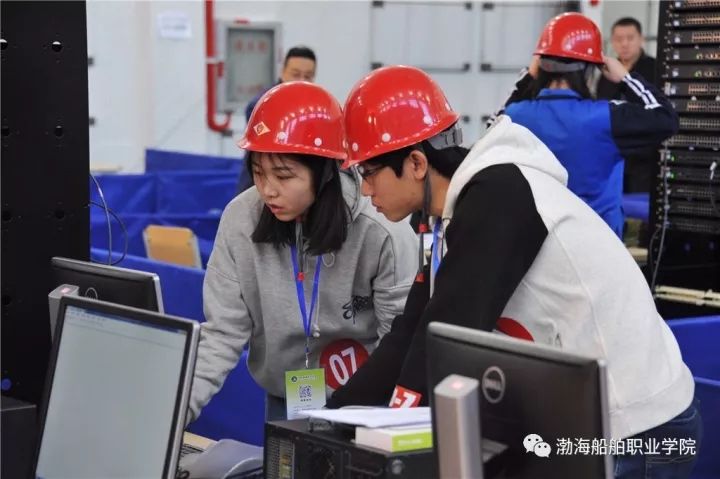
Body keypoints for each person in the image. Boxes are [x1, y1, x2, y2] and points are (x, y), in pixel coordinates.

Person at [326, 64, 701, 479]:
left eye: (369, 172)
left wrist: (390, 434)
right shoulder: (457, 214)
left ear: (416, 163)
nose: (365, 190)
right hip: (586, 419)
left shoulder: (499, 197)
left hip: (638, 425)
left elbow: (446, 335)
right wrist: (330, 418)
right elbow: (411, 329)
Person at [187, 81, 418, 424]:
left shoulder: (382, 230)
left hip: (367, 401)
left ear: (324, 172)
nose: (267, 190)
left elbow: (398, 341)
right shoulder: (240, 219)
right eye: (258, 172)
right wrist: (173, 414)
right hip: (286, 397)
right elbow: (220, 335)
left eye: (283, 176)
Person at [485, 12, 678, 239]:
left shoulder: (517, 115)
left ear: (540, 65)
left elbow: (490, 129)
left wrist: (527, 77)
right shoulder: (605, 117)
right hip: (598, 244)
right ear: (589, 70)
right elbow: (666, 117)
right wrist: (626, 78)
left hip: (534, 245)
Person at [238, 46, 318, 194]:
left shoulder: (314, 109)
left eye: (308, 76)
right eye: (295, 74)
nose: (301, 81)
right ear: (283, 72)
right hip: (259, 186)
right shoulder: (261, 105)